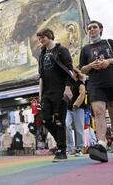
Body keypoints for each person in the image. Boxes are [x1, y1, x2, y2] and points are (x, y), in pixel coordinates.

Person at [79, 20, 113, 162]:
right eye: (89, 28)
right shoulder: (85, 50)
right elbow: (82, 69)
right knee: (99, 111)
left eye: (94, 27)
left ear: (100, 29)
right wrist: (90, 65)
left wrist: (108, 62)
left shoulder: (109, 42)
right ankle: (101, 144)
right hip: (95, 83)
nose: (92, 30)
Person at [37, 28, 74, 162]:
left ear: (50, 36)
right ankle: (60, 143)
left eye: (43, 38)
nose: (41, 41)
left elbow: (69, 70)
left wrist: (68, 88)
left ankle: (61, 151)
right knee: (46, 120)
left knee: (59, 120)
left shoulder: (61, 50)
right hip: (47, 92)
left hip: (60, 90)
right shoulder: (42, 54)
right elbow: (41, 75)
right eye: (39, 39)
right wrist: (40, 94)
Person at [66, 67, 86, 156]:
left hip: (78, 109)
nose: (71, 74)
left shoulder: (80, 83)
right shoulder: (68, 84)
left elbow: (82, 95)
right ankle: (70, 148)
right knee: (66, 125)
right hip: (68, 109)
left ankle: (79, 148)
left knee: (79, 129)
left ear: (76, 74)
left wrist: (76, 104)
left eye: (72, 72)